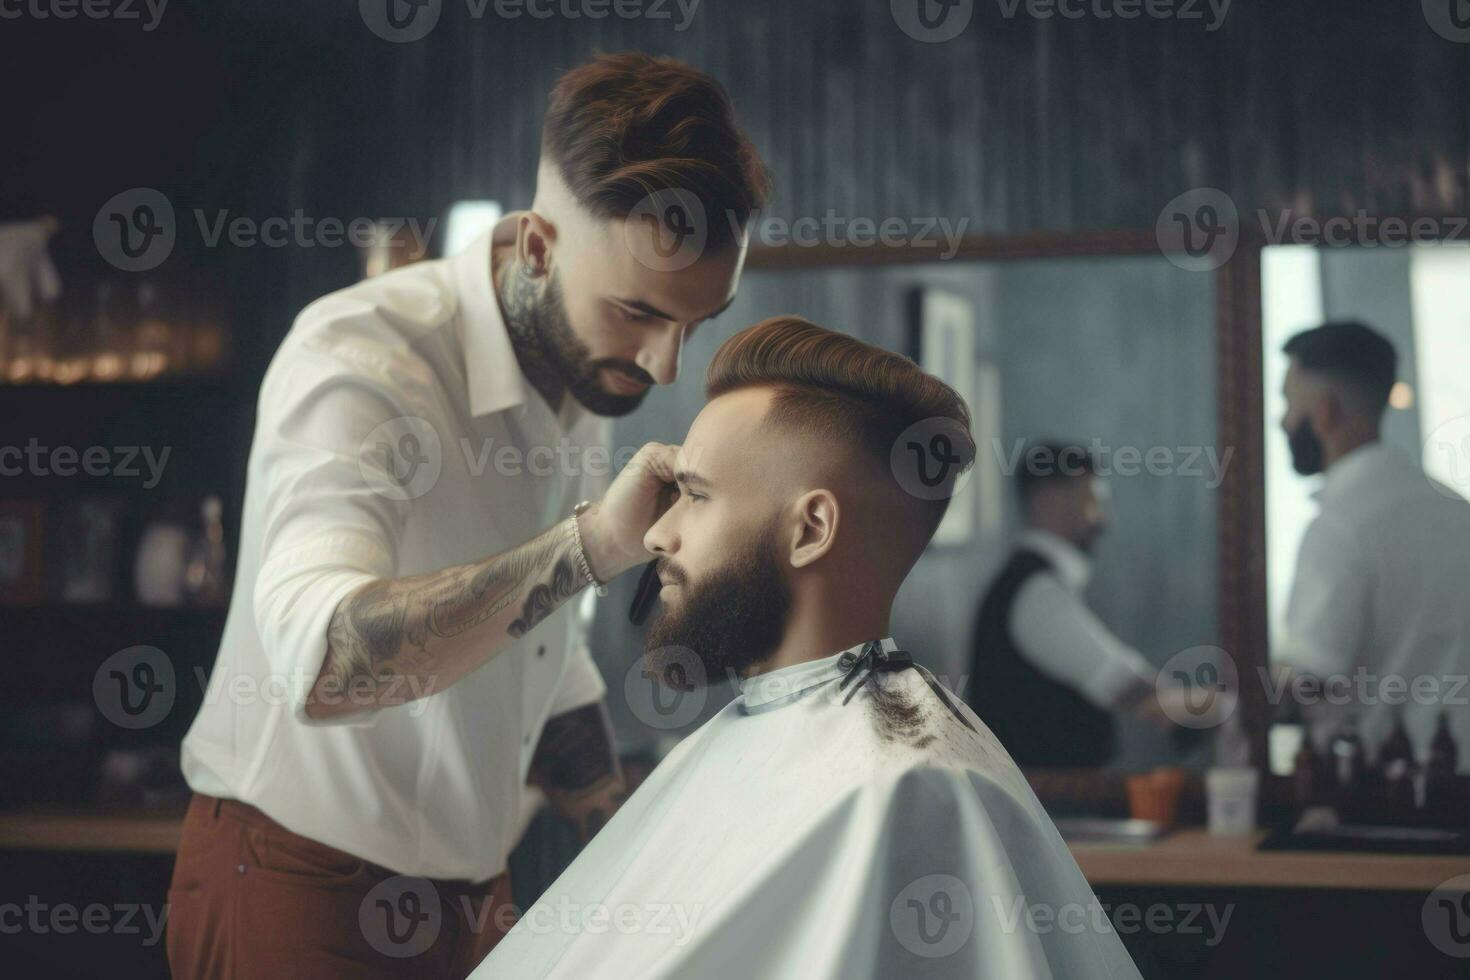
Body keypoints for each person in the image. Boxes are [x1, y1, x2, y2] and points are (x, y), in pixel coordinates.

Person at [168, 52, 770, 978]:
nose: (663, 368)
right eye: (637, 314)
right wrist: (588, 547)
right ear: (536, 246)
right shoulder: (361, 357)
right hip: (296, 884)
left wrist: (625, 832)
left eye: (695, 323)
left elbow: (541, 654)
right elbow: (323, 660)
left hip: (471, 900)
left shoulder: (581, 381)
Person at [477, 317, 1144, 979]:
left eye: (696, 497)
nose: (656, 535)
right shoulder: (754, 729)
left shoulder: (907, 792)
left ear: (811, 529)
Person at [1275, 320, 1470, 769]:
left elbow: (1314, 675)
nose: (1283, 421)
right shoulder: (1457, 511)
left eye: (1288, 403)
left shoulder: (1339, 527)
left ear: (1325, 412)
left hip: (1378, 788)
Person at [968, 443, 1179, 768]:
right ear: (1049, 498)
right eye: (1092, 499)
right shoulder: (1036, 591)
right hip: (1047, 813)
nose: (1103, 520)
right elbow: (1119, 681)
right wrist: (1192, 705)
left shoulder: (1032, 582)